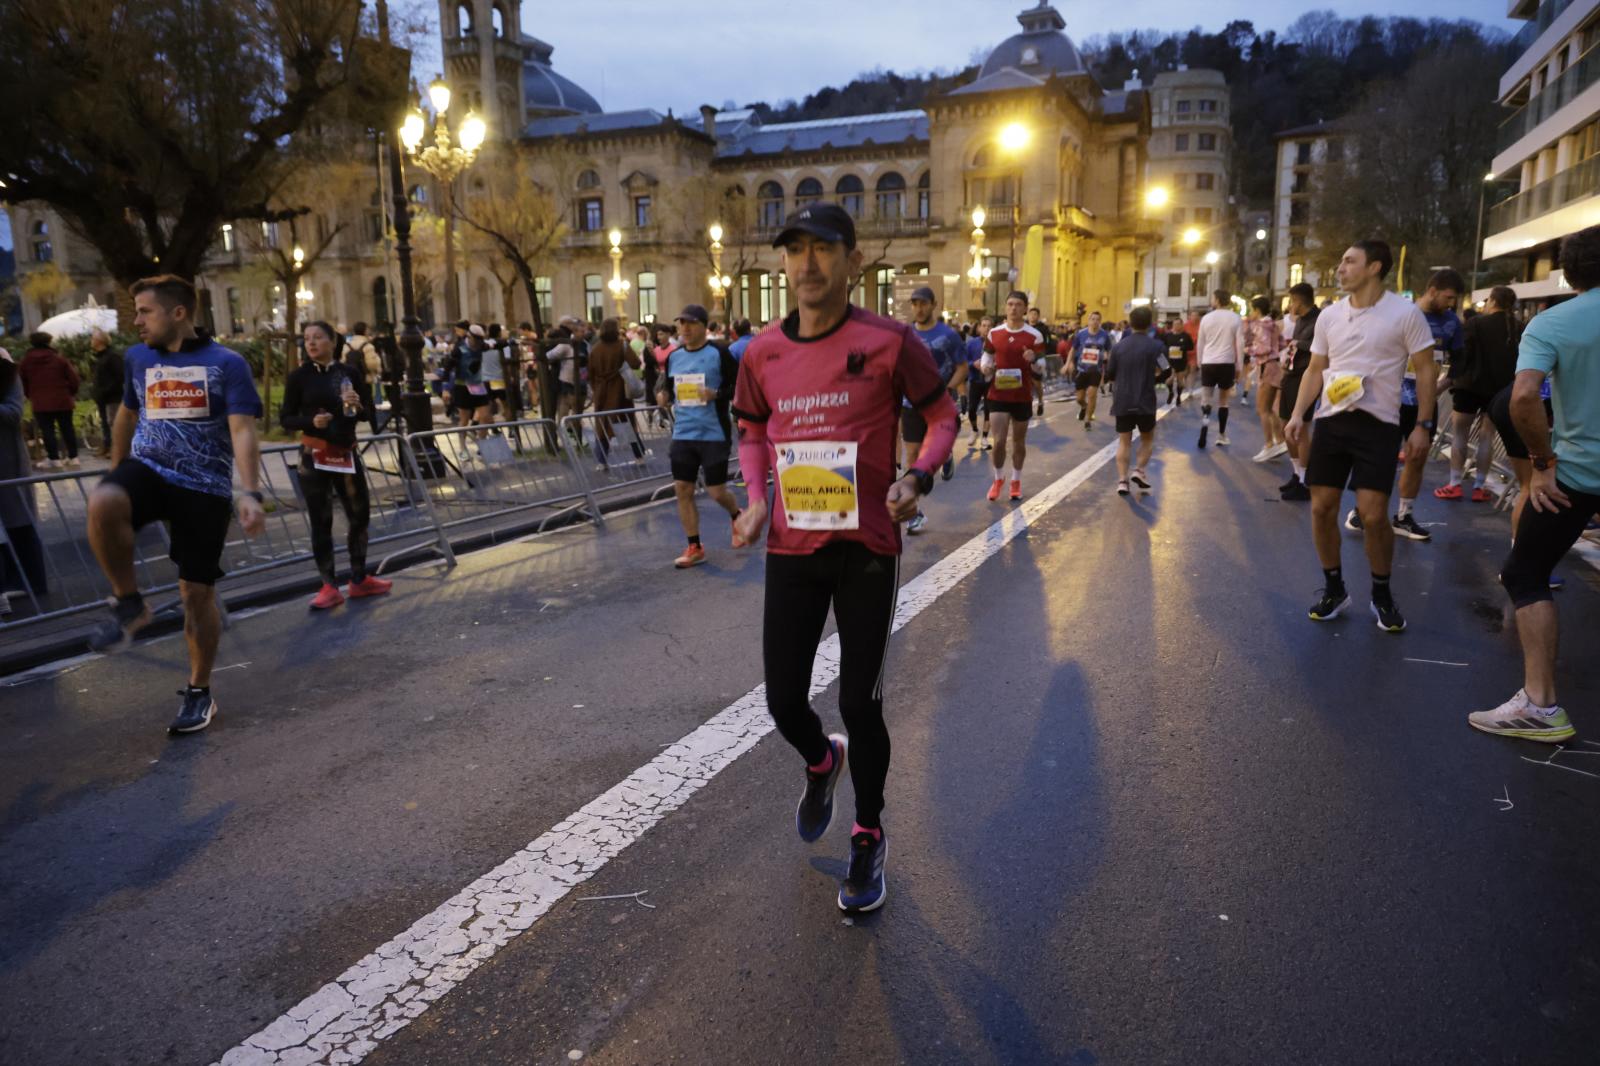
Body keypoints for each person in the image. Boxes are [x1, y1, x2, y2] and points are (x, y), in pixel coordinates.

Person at [730, 202, 957, 914]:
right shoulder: (762, 351)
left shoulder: (889, 342)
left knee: (861, 700)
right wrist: (758, 496)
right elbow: (751, 427)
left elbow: (943, 415)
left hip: (867, 545)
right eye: (795, 249)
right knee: (781, 701)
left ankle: (867, 833)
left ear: (852, 261)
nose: (807, 263)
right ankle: (822, 761)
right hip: (792, 545)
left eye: (823, 248)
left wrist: (916, 476)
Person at [86, 275, 266, 734]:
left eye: (146, 312)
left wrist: (249, 492)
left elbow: (243, 429)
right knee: (104, 500)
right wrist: (116, 471)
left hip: (203, 487)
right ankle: (129, 603)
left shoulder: (227, 363)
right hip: (149, 468)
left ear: (178, 313)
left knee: (195, 593)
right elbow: (128, 415)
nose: (138, 321)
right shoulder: (137, 358)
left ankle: (199, 689)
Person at [1468, 226, 1600, 742]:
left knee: (1524, 573)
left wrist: (1542, 463)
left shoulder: (1555, 322)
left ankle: (1541, 707)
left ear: (1567, 274)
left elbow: (1524, 397)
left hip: (1579, 476)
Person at [1284, 240, 1436, 633]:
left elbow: (1424, 370)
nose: (1340, 268)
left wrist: (1423, 424)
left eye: (1349, 261)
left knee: (1371, 515)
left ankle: (1381, 593)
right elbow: (1315, 369)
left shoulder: (1405, 314)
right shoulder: (1330, 316)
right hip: (1332, 420)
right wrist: (1299, 414)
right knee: (1320, 508)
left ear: (1374, 267)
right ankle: (1335, 588)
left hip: (1379, 423)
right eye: (1341, 261)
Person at [280, 321, 391, 609]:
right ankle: (329, 585)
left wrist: (356, 405)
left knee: (359, 515)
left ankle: (358, 578)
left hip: (346, 451)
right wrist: (310, 422)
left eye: (318, 337)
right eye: (307, 338)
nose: (311, 343)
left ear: (332, 341)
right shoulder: (299, 377)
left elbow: (366, 414)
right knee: (321, 520)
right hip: (314, 455)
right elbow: (286, 418)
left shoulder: (349, 373)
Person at [1376, 268, 1463, 541]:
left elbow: (1459, 362)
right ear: (1433, 290)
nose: (1451, 303)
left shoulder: (1452, 323)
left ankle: (1404, 515)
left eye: (1455, 299)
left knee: (1416, 459)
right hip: (1391, 400)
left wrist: (1442, 384)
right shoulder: (1402, 315)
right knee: (1381, 459)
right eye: (1448, 297)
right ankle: (1365, 509)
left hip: (1424, 403)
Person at [656, 304, 741, 568]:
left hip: (714, 432)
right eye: (681, 323)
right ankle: (694, 546)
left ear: (704, 326)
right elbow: (666, 387)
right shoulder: (674, 357)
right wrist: (663, 396)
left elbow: (738, 386)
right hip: (683, 432)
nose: (685, 329)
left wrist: (716, 394)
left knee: (716, 492)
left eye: (691, 323)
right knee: (683, 489)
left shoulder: (721, 352)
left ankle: (737, 515)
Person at [1438, 284, 1519, 503]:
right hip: (1499, 390)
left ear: (1492, 301)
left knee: (1460, 433)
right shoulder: (1517, 326)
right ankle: (1479, 486)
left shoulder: (1475, 323)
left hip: (1469, 387)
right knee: (1487, 437)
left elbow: (1463, 355)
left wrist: (1449, 380)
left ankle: (1454, 483)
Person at [902, 285, 966, 532]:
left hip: (938, 404)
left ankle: (945, 453)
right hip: (910, 403)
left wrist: (947, 388)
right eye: (915, 304)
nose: (919, 308)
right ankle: (914, 513)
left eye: (923, 303)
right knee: (912, 455)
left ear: (933, 305)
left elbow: (962, 367)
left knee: (930, 451)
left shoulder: (948, 335)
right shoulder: (906, 334)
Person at [982, 291, 1045, 501]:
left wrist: (1033, 358)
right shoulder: (994, 333)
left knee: (1018, 441)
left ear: (1025, 308)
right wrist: (985, 367)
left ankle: (1016, 479)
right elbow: (987, 356)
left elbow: (1041, 369)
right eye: (1010, 304)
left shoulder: (1034, 335)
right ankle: (998, 478)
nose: (1013, 308)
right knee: (998, 441)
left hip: (1021, 396)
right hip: (998, 394)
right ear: (1005, 307)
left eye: (1018, 304)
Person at [0, 346, 48, 607]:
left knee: (18, 522)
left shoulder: (6, 371)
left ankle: (28, 581)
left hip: (8, 464)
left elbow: (14, 413)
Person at [1106, 305, 1162, 496]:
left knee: (1124, 442)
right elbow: (1167, 369)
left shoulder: (1118, 347)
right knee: (1147, 438)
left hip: (1123, 400)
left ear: (1130, 323)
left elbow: (1110, 373)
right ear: (1150, 324)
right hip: (1146, 400)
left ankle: (1122, 481)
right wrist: (1154, 379)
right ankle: (1139, 470)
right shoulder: (1156, 346)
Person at [1277, 283, 1320, 501]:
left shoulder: (1319, 319)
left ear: (1299, 301)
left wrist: (1298, 343)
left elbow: (1318, 346)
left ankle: (1306, 481)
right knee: (1285, 423)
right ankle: (1296, 473)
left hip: (1306, 377)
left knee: (1301, 429)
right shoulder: (1301, 320)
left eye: (1291, 300)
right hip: (1291, 375)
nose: (1290, 305)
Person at [19, 331, 82, 469]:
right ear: (48, 342)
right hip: (63, 400)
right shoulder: (59, 359)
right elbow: (74, 379)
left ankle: (54, 458)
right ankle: (73, 457)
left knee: (47, 430)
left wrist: (31, 395)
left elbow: (22, 382)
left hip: (40, 402)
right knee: (67, 428)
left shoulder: (26, 362)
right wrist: (70, 393)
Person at [587, 317, 644, 466]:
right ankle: (639, 457)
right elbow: (636, 364)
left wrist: (596, 388)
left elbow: (591, 374)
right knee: (627, 424)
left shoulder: (595, 349)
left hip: (601, 393)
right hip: (619, 392)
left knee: (603, 427)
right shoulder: (622, 345)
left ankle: (601, 461)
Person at [1194, 290, 1245, 449]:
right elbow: (1240, 344)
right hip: (1226, 362)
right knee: (1223, 401)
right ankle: (1221, 435)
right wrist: (1239, 366)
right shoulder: (1235, 318)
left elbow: (1200, 342)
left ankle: (1205, 420)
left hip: (1208, 362)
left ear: (1216, 300)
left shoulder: (1206, 319)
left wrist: (1199, 361)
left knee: (1206, 397)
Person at [1244, 297, 1287, 462]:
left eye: (1251, 309)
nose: (1250, 312)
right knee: (1269, 409)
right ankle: (1279, 441)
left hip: (1267, 367)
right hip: (1274, 366)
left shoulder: (1262, 325)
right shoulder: (1273, 324)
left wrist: (1249, 349)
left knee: (1262, 409)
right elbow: (1282, 344)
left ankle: (1269, 444)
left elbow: (1264, 347)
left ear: (1257, 309)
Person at [1069, 311, 1112, 427]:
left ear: (1100, 321)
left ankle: (1088, 420)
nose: (1095, 321)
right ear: (1088, 320)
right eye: (1093, 319)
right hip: (1081, 369)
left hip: (1096, 370)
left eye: (1098, 319)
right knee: (1079, 398)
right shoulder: (1081, 334)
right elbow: (1073, 349)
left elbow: (1109, 349)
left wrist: (1108, 358)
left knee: (1092, 395)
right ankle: (1083, 406)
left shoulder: (1104, 335)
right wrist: (1068, 363)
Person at [89, 328, 124, 458]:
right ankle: (107, 445)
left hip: (112, 397)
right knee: (105, 423)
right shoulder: (100, 357)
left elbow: (119, 377)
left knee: (114, 423)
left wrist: (106, 390)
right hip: (103, 397)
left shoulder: (112, 357)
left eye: (93, 338)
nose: (91, 341)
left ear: (100, 341)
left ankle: (116, 449)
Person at [964, 315, 993, 449]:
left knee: (989, 409)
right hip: (975, 380)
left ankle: (985, 438)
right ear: (979, 327)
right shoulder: (971, 343)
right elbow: (964, 361)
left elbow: (1000, 359)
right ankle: (974, 429)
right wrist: (972, 363)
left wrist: (994, 366)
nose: (986, 328)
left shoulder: (995, 343)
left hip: (990, 381)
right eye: (984, 325)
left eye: (989, 326)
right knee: (971, 409)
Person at [1160, 316, 1193, 406]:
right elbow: (1162, 347)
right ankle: (1171, 392)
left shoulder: (1186, 336)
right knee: (1168, 380)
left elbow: (1191, 347)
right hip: (1169, 361)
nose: (1176, 326)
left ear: (1182, 325)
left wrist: (1183, 348)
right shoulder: (1167, 335)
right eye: (1175, 324)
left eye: (1178, 324)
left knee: (1180, 380)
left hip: (1181, 361)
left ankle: (1178, 396)